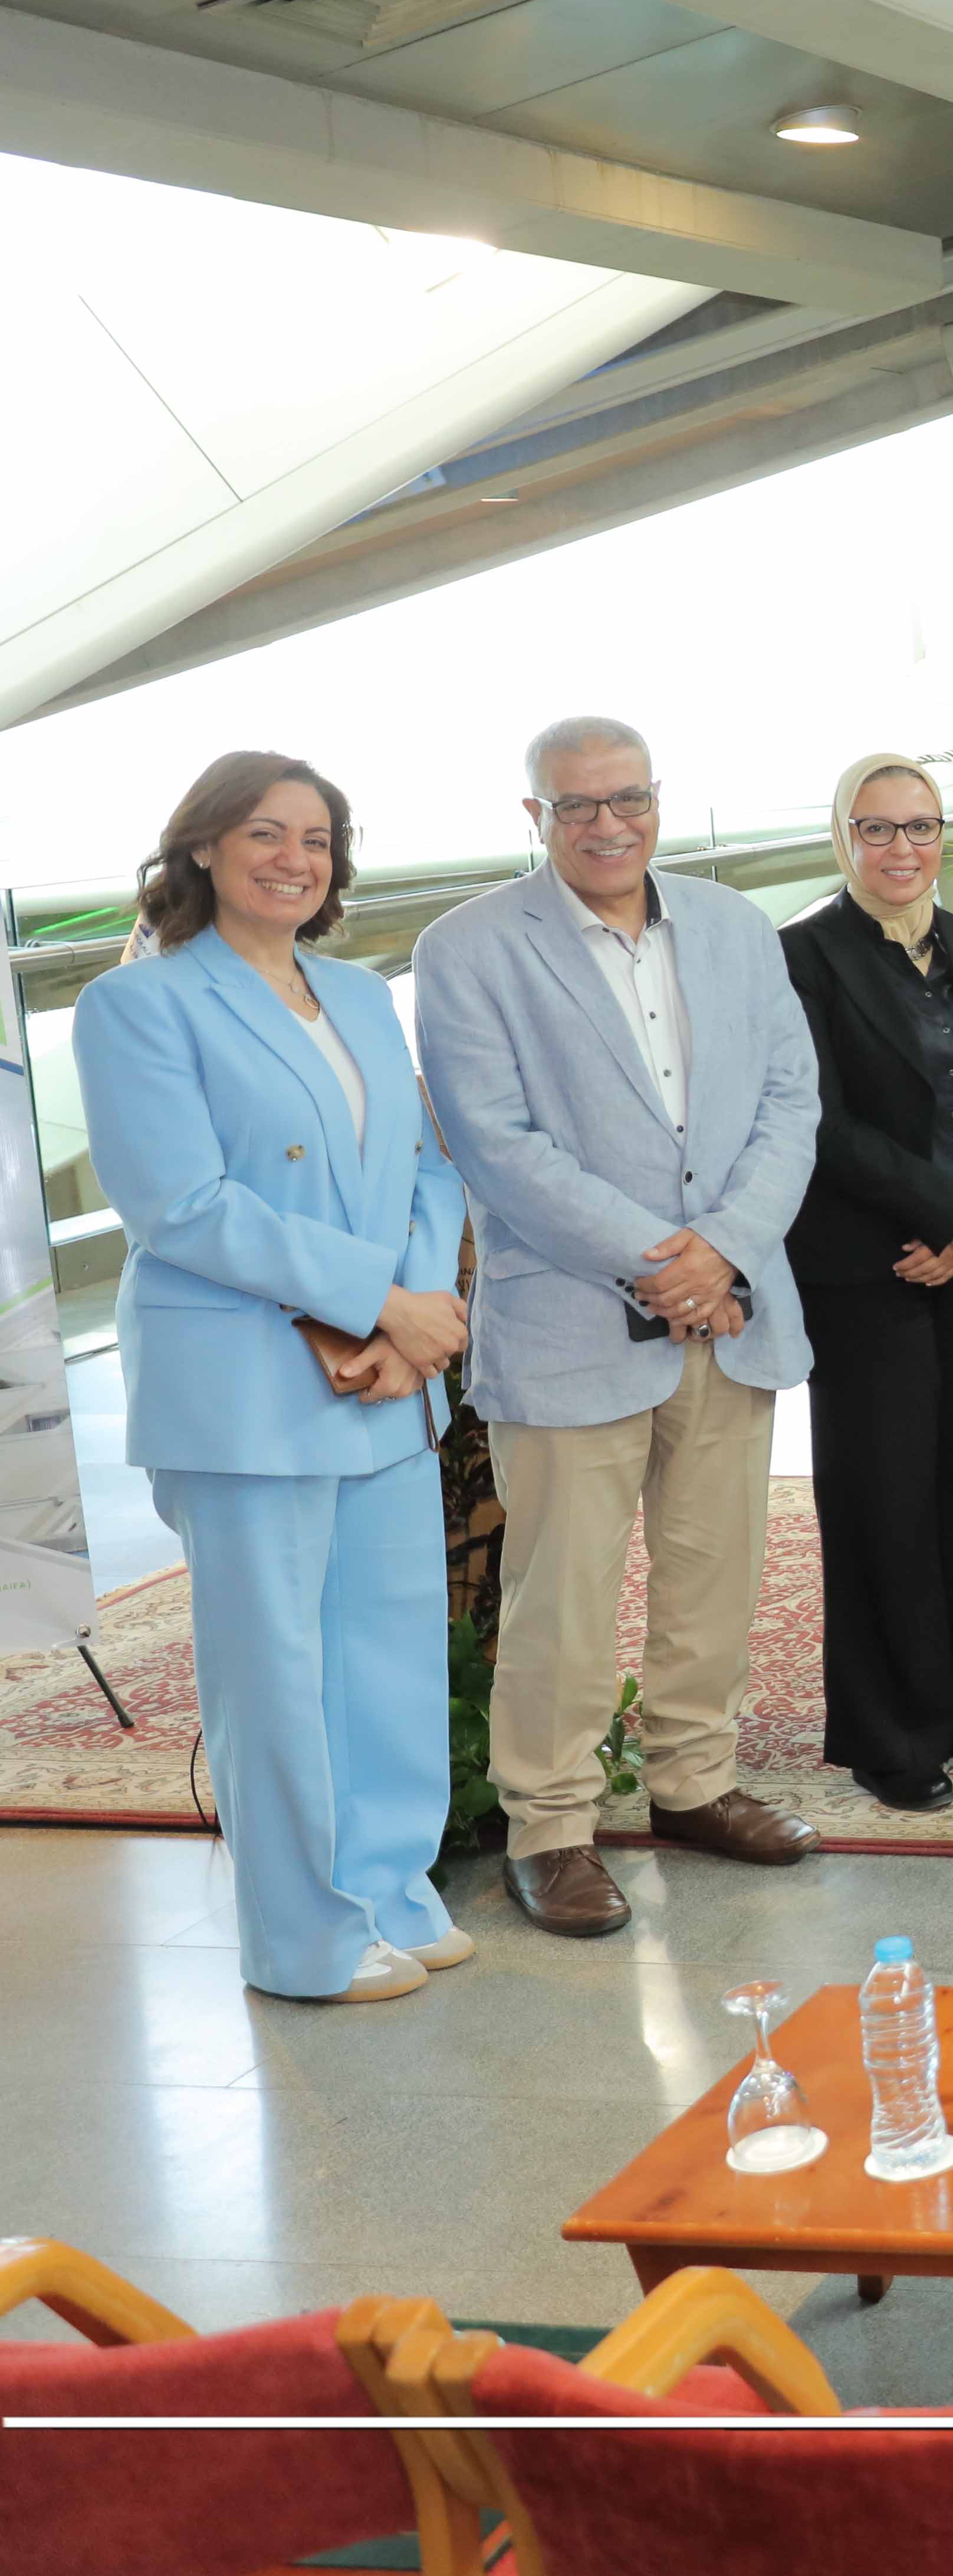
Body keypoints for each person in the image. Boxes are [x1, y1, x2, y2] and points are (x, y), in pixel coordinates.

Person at [412, 718, 824, 1938]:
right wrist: (668, 1264)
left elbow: (791, 1103)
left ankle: (695, 1783)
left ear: (657, 800)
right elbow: (495, 1143)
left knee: (714, 1568)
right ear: (533, 816)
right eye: (577, 804)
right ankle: (549, 1826)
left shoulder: (736, 926)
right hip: (571, 1320)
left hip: (730, 1311)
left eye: (627, 798)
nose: (607, 824)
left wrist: (725, 1250)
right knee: (564, 1591)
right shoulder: (468, 947)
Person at [82, 757, 469, 2000]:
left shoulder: (358, 994)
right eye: (265, 832)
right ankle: (306, 1939)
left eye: (317, 837)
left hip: (383, 1377)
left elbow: (426, 1170)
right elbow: (182, 1205)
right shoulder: (137, 1005)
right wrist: (378, 1304)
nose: (295, 858)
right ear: (202, 846)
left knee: (390, 1651)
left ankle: (392, 1892)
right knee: (274, 1677)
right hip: (243, 1384)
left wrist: (409, 1319)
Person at [780, 756, 953, 1814]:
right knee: (884, 1498)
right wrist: (944, 1217)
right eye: (879, 828)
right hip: (866, 1265)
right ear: (843, 836)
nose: (903, 848)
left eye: (922, 827)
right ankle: (892, 1736)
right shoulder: (801, 956)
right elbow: (818, 1118)